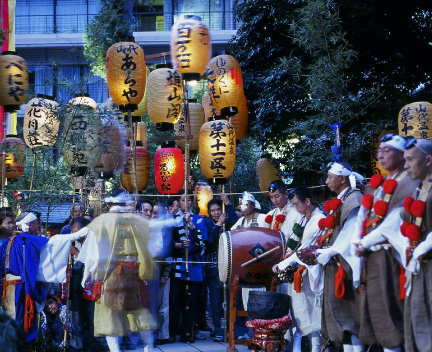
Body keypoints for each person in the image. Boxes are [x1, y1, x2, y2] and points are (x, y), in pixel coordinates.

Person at [351, 134, 418, 352]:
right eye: (379, 150)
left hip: (393, 257)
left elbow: (395, 220)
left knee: (394, 311)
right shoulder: (380, 185)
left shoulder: (408, 182)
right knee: (379, 311)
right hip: (373, 256)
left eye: (387, 150)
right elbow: (364, 214)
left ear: (402, 154)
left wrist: (364, 241)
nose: (381, 154)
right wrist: (356, 240)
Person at [76, 191, 155, 352]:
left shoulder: (103, 222)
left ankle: (122, 350)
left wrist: (87, 274)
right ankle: (148, 348)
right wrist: (145, 272)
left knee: (112, 315)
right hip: (128, 273)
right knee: (137, 314)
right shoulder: (136, 222)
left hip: (114, 275)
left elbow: (92, 254)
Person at [0, 212, 88, 342]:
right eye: (36, 223)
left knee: (11, 322)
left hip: (7, 288)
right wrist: (77, 235)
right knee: (19, 323)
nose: (38, 226)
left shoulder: (8, 241)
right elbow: (52, 243)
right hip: (20, 290)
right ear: (29, 224)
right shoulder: (25, 239)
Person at [384, 138, 432, 352]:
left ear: (428, 160)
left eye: (410, 160)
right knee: (416, 323)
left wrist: (422, 247)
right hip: (417, 269)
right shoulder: (417, 190)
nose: (406, 165)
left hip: (428, 264)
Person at [314, 161, 364, 352]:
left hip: (348, 265)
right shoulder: (343, 199)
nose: (326, 181)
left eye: (329, 177)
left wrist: (328, 252)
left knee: (352, 316)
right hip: (336, 264)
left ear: (342, 178)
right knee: (342, 316)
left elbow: (350, 235)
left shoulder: (354, 199)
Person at [273, 186, 325, 352]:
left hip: (312, 275)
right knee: (300, 314)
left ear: (307, 201)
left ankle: (315, 349)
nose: (295, 207)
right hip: (299, 276)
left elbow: (305, 249)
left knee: (314, 315)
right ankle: (298, 348)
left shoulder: (319, 219)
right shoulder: (304, 218)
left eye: (296, 204)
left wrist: (283, 264)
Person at [169, 191, 206, 343]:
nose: (185, 203)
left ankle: (188, 332)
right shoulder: (172, 220)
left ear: (192, 202)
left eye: (188, 199)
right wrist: (177, 245)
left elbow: (202, 242)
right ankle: (172, 332)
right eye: (182, 200)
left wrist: (190, 223)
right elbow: (166, 242)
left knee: (192, 301)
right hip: (178, 265)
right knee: (175, 300)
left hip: (194, 265)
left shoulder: (199, 219)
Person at [204, 195, 238, 342]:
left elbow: (238, 225)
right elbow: (210, 242)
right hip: (213, 268)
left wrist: (228, 204)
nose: (216, 212)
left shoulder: (228, 221)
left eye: (218, 209)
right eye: (213, 210)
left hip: (230, 266)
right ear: (209, 213)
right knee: (216, 301)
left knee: (231, 299)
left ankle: (233, 329)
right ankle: (218, 330)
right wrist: (218, 224)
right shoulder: (207, 224)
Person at [264, 180, 301, 254]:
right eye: (271, 197)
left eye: (277, 196)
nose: (274, 200)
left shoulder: (297, 213)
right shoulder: (271, 214)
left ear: (286, 194)